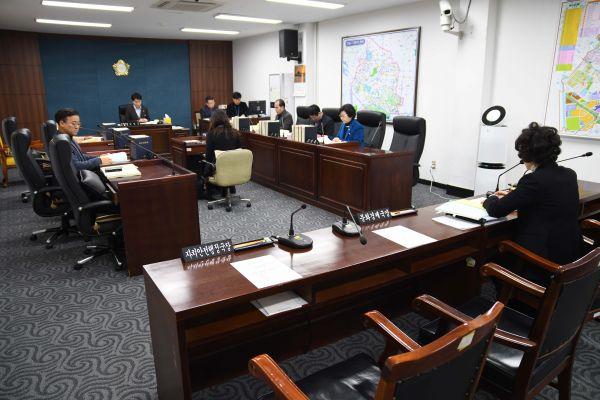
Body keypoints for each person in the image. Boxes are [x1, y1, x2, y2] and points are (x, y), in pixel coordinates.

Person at [483, 122, 582, 279]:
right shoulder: (569, 174)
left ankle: (512, 294)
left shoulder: (534, 180)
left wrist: (491, 198)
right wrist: (518, 195)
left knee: (490, 257)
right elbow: (546, 200)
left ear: (528, 154)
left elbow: (496, 210)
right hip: (570, 253)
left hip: (542, 260)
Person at [202, 110, 242, 199]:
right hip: (234, 167)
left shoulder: (211, 134)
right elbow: (239, 151)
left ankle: (209, 193)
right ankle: (229, 188)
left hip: (219, 168)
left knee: (204, 163)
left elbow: (208, 156)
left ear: (213, 120)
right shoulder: (235, 132)